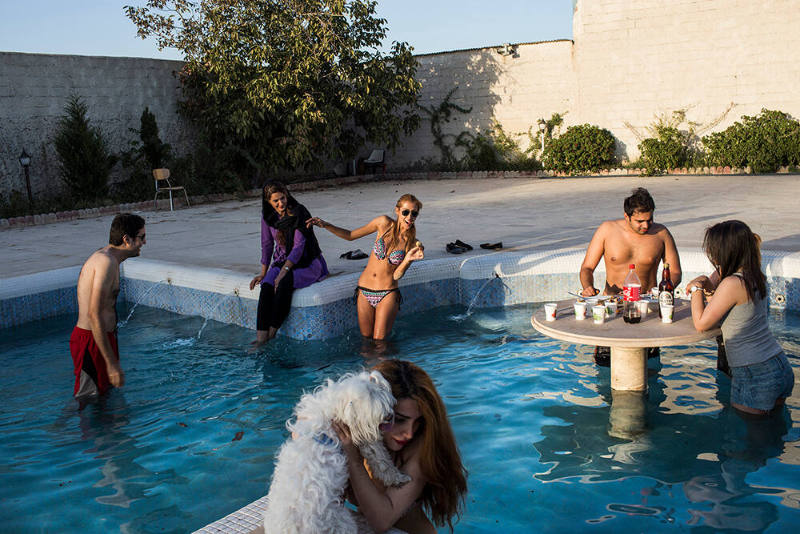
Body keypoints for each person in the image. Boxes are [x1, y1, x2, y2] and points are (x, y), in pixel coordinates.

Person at [332, 360, 467, 533]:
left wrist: (354, 460)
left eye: (418, 422)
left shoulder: (420, 452)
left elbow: (381, 521)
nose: (409, 433)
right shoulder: (359, 434)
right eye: (400, 420)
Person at [685, 220, 793, 415]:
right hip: (778, 366)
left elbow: (701, 323)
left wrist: (695, 288)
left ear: (725, 251)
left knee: (750, 443)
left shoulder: (732, 283)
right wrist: (708, 282)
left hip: (754, 374)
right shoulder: (753, 274)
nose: (711, 253)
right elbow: (717, 281)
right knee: (773, 435)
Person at [578, 187, 682, 365]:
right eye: (640, 221)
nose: (646, 226)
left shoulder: (661, 234)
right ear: (627, 216)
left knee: (650, 368)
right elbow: (587, 268)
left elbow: (675, 271)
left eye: (650, 220)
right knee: (605, 367)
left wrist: (664, 289)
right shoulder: (607, 230)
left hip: (646, 309)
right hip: (613, 309)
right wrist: (588, 286)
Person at [307, 194, 424, 340]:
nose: (410, 217)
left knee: (380, 343)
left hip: (387, 293)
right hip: (364, 291)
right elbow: (350, 235)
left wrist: (407, 260)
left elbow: (397, 275)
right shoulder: (383, 223)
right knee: (366, 340)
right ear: (397, 210)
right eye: (406, 212)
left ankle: (390, 362)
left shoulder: (412, 243)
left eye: (414, 213)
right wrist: (325, 225)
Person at [71, 213, 146, 401]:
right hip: (91, 341)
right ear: (126, 239)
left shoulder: (108, 258)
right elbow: (93, 314)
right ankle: (63, 429)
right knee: (87, 399)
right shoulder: (106, 263)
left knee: (102, 396)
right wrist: (111, 363)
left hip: (101, 338)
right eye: (142, 237)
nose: (144, 242)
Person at [249, 181, 328, 345]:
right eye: (275, 201)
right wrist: (264, 273)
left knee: (283, 283)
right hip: (281, 261)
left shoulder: (299, 212)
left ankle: (270, 336)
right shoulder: (268, 217)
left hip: (307, 262)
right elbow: (267, 244)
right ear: (268, 202)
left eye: (282, 198)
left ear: (287, 195)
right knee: (266, 287)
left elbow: (299, 246)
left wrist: (283, 272)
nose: (280, 203)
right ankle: (260, 339)